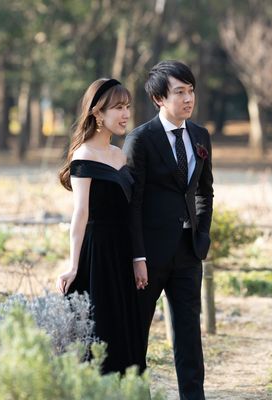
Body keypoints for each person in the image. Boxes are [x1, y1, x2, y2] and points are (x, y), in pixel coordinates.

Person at [123, 60, 214, 400]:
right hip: (148, 257)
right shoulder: (141, 139)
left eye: (191, 91)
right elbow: (132, 204)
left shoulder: (200, 136)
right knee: (137, 336)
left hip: (189, 252)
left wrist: (201, 236)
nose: (188, 99)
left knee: (189, 336)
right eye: (179, 92)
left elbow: (205, 191)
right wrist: (137, 256)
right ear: (159, 98)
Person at [56, 78, 145, 375]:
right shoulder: (83, 155)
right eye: (118, 107)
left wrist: (137, 257)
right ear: (97, 113)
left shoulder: (120, 155)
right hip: (98, 255)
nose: (125, 114)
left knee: (125, 328)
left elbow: (131, 210)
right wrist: (73, 266)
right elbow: (80, 213)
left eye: (127, 107)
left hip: (122, 252)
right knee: (102, 328)